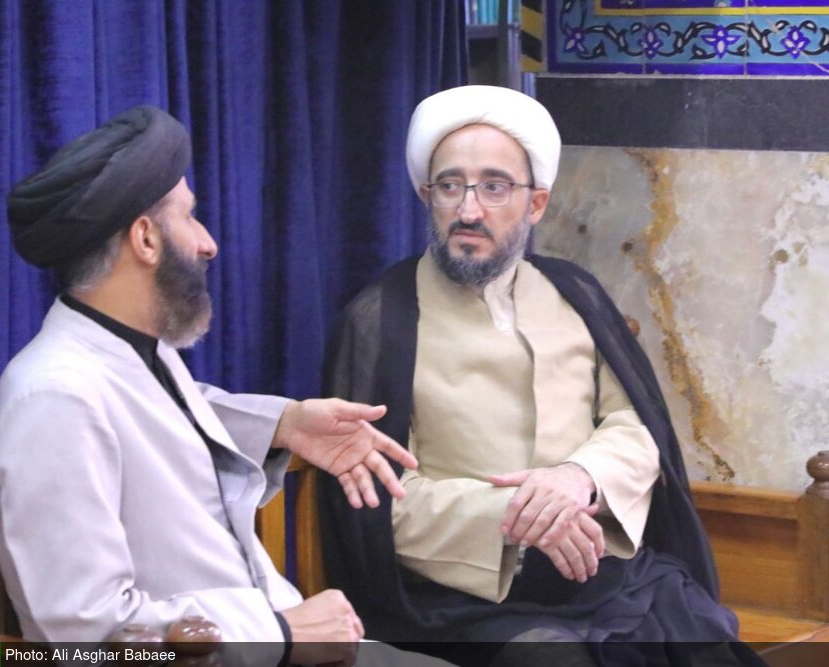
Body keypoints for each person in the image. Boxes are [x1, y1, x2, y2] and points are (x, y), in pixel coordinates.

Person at [319, 86, 764, 666]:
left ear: (535, 204)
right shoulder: (380, 319)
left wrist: (578, 477)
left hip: (606, 576)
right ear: (428, 197)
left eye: (494, 187)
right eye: (450, 186)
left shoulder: (575, 292)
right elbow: (376, 501)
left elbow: (636, 424)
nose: (469, 211)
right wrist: (519, 516)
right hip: (461, 602)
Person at [0, 105, 439, 667]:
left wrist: (288, 424)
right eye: (190, 217)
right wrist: (281, 633)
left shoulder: (133, 357)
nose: (208, 244)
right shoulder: (54, 397)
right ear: (146, 239)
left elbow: (168, 416)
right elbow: (86, 632)